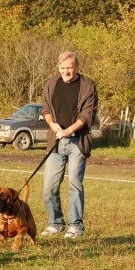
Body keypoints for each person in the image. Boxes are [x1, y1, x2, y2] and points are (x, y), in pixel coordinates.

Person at [40, 51, 98, 239]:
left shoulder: (87, 86)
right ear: (58, 67)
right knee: (49, 187)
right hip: (55, 143)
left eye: (70, 69)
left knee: (75, 184)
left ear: (77, 68)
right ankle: (55, 223)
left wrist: (68, 130)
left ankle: (75, 227)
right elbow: (46, 109)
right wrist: (53, 125)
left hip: (77, 142)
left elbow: (87, 115)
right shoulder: (51, 84)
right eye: (63, 68)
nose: (66, 72)